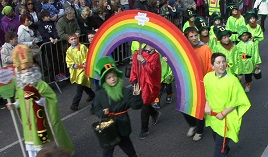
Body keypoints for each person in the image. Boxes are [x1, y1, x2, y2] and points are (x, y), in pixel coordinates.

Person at [6, 44, 74, 157]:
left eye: (29, 68)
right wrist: (14, 104)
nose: (27, 71)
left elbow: (51, 99)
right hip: (30, 125)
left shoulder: (41, 84)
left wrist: (42, 101)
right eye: (23, 69)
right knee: (32, 148)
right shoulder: (19, 87)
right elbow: (20, 100)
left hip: (42, 122)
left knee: (46, 148)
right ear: (19, 71)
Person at [94, 56, 143, 157]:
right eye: (109, 78)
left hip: (122, 124)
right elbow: (95, 109)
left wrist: (136, 96)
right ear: (104, 80)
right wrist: (103, 112)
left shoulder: (125, 91)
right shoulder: (100, 94)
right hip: (107, 127)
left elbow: (136, 106)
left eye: (114, 76)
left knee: (127, 146)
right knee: (107, 150)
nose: (112, 79)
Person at [204, 52, 251, 157]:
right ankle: (226, 149)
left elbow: (237, 100)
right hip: (213, 117)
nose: (222, 65)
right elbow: (205, 93)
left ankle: (222, 152)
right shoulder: (208, 77)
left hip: (227, 119)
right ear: (212, 66)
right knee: (216, 139)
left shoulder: (233, 80)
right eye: (218, 62)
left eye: (223, 61)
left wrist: (223, 113)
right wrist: (207, 105)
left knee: (219, 147)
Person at [183, 26, 213, 141]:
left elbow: (210, 67)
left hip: (202, 83)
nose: (194, 38)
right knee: (184, 107)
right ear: (187, 38)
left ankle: (200, 130)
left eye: (196, 35)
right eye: (191, 36)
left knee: (199, 108)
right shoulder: (184, 50)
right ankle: (193, 125)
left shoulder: (205, 49)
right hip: (188, 83)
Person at [130, 44, 161, 139]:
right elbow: (134, 68)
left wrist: (143, 61)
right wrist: (134, 79)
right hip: (140, 84)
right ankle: (154, 113)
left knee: (144, 105)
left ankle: (144, 128)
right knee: (144, 104)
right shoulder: (137, 53)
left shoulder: (155, 55)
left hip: (149, 85)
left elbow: (152, 71)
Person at [66, 34, 95, 111]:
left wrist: (85, 62)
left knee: (79, 86)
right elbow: (68, 59)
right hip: (76, 70)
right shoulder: (69, 50)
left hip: (83, 69)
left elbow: (87, 55)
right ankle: (92, 95)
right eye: (71, 39)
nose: (74, 40)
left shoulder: (82, 47)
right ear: (69, 41)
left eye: (75, 39)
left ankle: (74, 104)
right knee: (83, 85)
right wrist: (72, 65)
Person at [236, 26, 261, 92]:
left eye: (246, 35)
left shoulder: (252, 44)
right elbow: (236, 55)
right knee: (239, 75)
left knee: (248, 76)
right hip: (241, 63)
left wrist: (257, 63)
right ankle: (238, 86)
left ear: (248, 35)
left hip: (249, 62)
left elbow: (256, 54)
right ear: (240, 37)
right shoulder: (238, 45)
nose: (244, 37)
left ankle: (248, 85)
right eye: (243, 35)